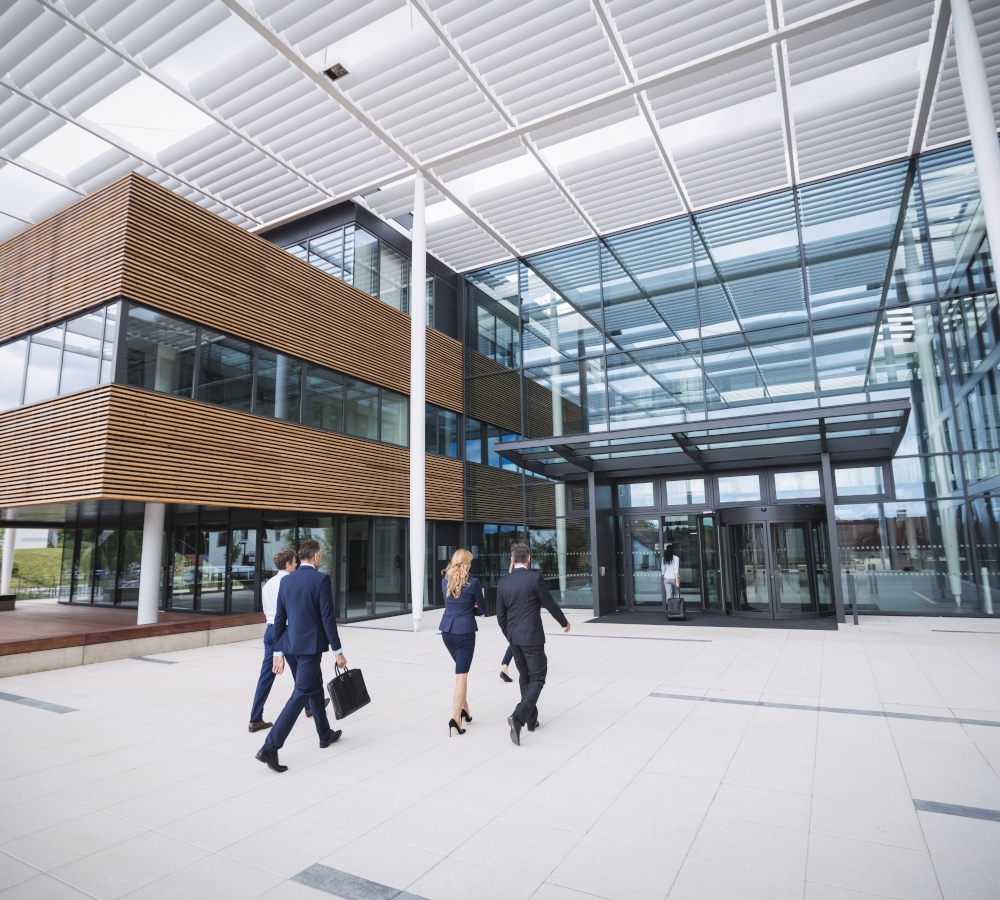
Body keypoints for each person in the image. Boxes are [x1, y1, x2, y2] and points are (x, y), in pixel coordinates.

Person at [256, 539, 346, 773]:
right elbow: (327, 619)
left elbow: (278, 619)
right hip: (309, 647)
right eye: (322, 555)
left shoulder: (285, 581)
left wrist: (278, 651)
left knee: (315, 687)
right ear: (315, 556)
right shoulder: (321, 579)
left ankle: (324, 734)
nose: (322, 559)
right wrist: (338, 651)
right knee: (301, 694)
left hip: (290, 645)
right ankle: (270, 747)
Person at [496, 542, 570, 746]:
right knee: (538, 678)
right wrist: (564, 622)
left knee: (525, 677)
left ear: (512, 559)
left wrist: (510, 634)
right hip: (532, 638)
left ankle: (531, 720)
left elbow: (500, 616)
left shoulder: (503, 583)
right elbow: (550, 604)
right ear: (528, 558)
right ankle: (519, 717)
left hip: (515, 639)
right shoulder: (535, 579)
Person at [248, 549, 330, 732]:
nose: (297, 565)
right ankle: (309, 708)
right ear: (287, 564)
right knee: (305, 674)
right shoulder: (288, 582)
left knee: (266, 677)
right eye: (294, 562)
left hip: (270, 631)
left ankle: (255, 718)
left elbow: (266, 611)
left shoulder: (267, 584)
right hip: (286, 632)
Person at [439, 549, 482, 736]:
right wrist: (472, 607)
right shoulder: (473, 583)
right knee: (461, 676)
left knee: (460, 671)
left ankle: (465, 710)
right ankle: (456, 719)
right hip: (464, 632)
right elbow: (482, 610)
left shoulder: (444, 582)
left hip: (447, 632)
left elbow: (450, 604)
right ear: (467, 563)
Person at [662, 544, 681, 616]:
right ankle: (677, 607)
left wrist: (664, 576)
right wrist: (677, 581)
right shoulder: (676, 558)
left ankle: (669, 608)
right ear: (673, 550)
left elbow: (662, 570)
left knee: (668, 594)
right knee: (677, 593)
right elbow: (676, 570)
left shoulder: (664, 558)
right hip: (674, 578)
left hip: (666, 578)